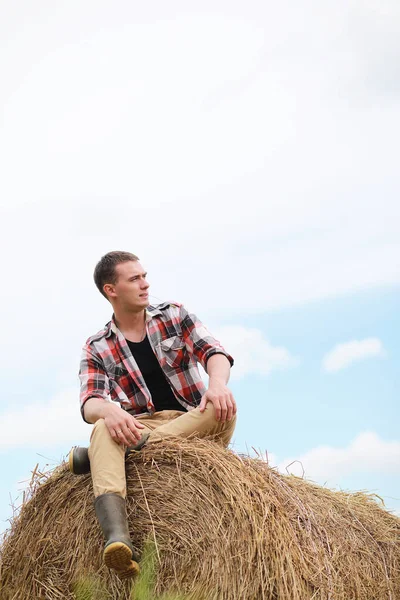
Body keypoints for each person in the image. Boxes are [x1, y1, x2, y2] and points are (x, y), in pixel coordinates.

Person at [69, 251, 237, 579]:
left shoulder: (174, 315)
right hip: (141, 423)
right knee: (104, 426)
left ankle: (111, 453)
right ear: (111, 290)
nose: (145, 284)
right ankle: (118, 538)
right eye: (134, 279)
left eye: (144, 276)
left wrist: (216, 383)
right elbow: (90, 401)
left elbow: (215, 352)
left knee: (222, 408)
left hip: (193, 420)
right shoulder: (97, 346)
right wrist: (109, 411)